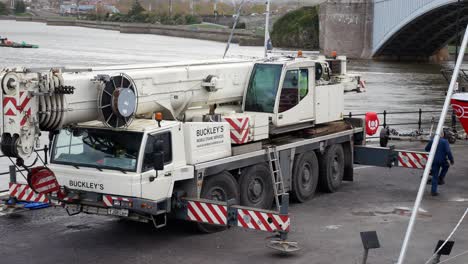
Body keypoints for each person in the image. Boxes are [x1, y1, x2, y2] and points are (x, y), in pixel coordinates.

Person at [425, 132, 454, 196]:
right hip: (442, 160)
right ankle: (441, 178)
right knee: (446, 166)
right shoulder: (445, 141)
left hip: (434, 160)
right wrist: (451, 160)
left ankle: (433, 191)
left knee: (435, 175)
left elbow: (426, 149)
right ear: (443, 135)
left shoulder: (432, 141)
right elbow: (448, 151)